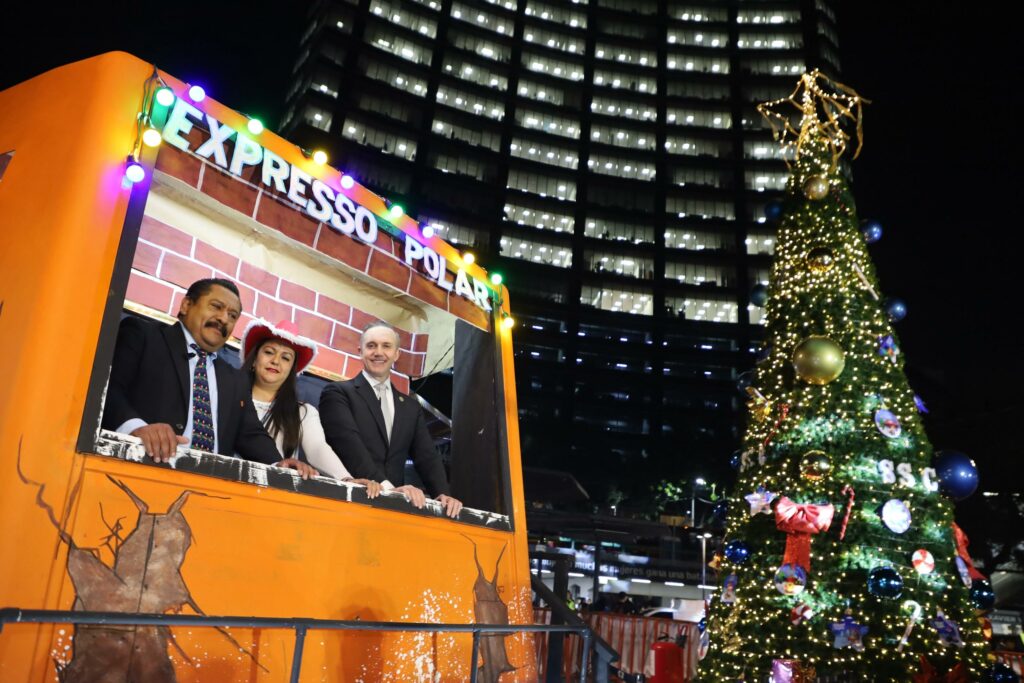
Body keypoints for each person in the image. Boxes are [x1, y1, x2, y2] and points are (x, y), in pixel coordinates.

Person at [102, 278, 316, 478]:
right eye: (216, 306)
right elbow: (108, 389)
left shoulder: (234, 379)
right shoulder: (143, 336)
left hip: (209, 489)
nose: (224, 318)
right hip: (137, 468)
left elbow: (250, 433)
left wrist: (280, 465)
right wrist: (136, 427)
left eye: (233, 316)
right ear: (186, 305)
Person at [319, 320, 463, 517]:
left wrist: (442, 494)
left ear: (396, 354)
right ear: (360, 351)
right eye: (371, 346)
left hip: (393, 510)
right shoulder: (338, 393)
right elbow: (349, 445)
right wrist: (388, 489)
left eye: (386, 346)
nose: (378, 352)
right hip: (348, 502)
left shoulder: (411, 407)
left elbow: (427, 456)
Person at [240, 318, 382, 497]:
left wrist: (346, 479)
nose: (276, 361)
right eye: (269, 352)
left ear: (292, 370)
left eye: (286, 358)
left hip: (274, 497)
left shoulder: (302, 412)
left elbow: (317, 448)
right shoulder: (230, 397)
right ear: (253, 359)